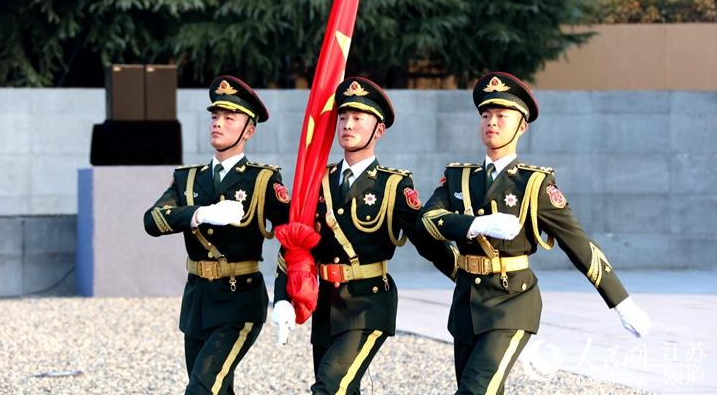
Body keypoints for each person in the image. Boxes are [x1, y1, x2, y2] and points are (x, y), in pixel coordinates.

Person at [417, 71, 650, 395]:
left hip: (512, 301)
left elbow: (577, 243)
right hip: (467, 304)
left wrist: (621, 302)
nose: (491, 122)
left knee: (475, 390)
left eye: (501, 115)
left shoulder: (534, 184)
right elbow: (427, 220)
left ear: (522, 126)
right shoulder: (458, 177)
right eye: (485, 115)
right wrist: (474, 225)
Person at [272, 76, 455, 395]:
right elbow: (295, 242)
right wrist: (282, 298)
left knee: (329, 387)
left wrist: (465, 275)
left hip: (369, 303)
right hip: (326, 305)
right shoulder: (317, 180)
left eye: (358, 118)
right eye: (343, 117)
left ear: (379, 130)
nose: (347, 124)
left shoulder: (393, 185)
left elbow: (427, 242)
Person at [143, 75, 291, 395]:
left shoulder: (263, 180)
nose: (218, 124)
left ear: (249, 130)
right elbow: (153, 220)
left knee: (201, 389)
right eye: (215, 117)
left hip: (240, 301)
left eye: (229, 118)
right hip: (197, 301)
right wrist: (200, 214)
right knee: (217, 389)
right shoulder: (187, 179)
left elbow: (293, 239)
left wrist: (284, 297)